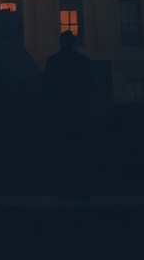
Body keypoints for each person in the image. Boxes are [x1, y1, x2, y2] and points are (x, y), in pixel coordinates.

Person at [44, 29, 93, 199]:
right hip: (79, 112)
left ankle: (65, 187)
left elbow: (47, 88)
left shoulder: (54, 62)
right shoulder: (83, 61)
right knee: (80, 152)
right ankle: (81, 188)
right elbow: (89, 87)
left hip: (60, 112)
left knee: (63, 152)